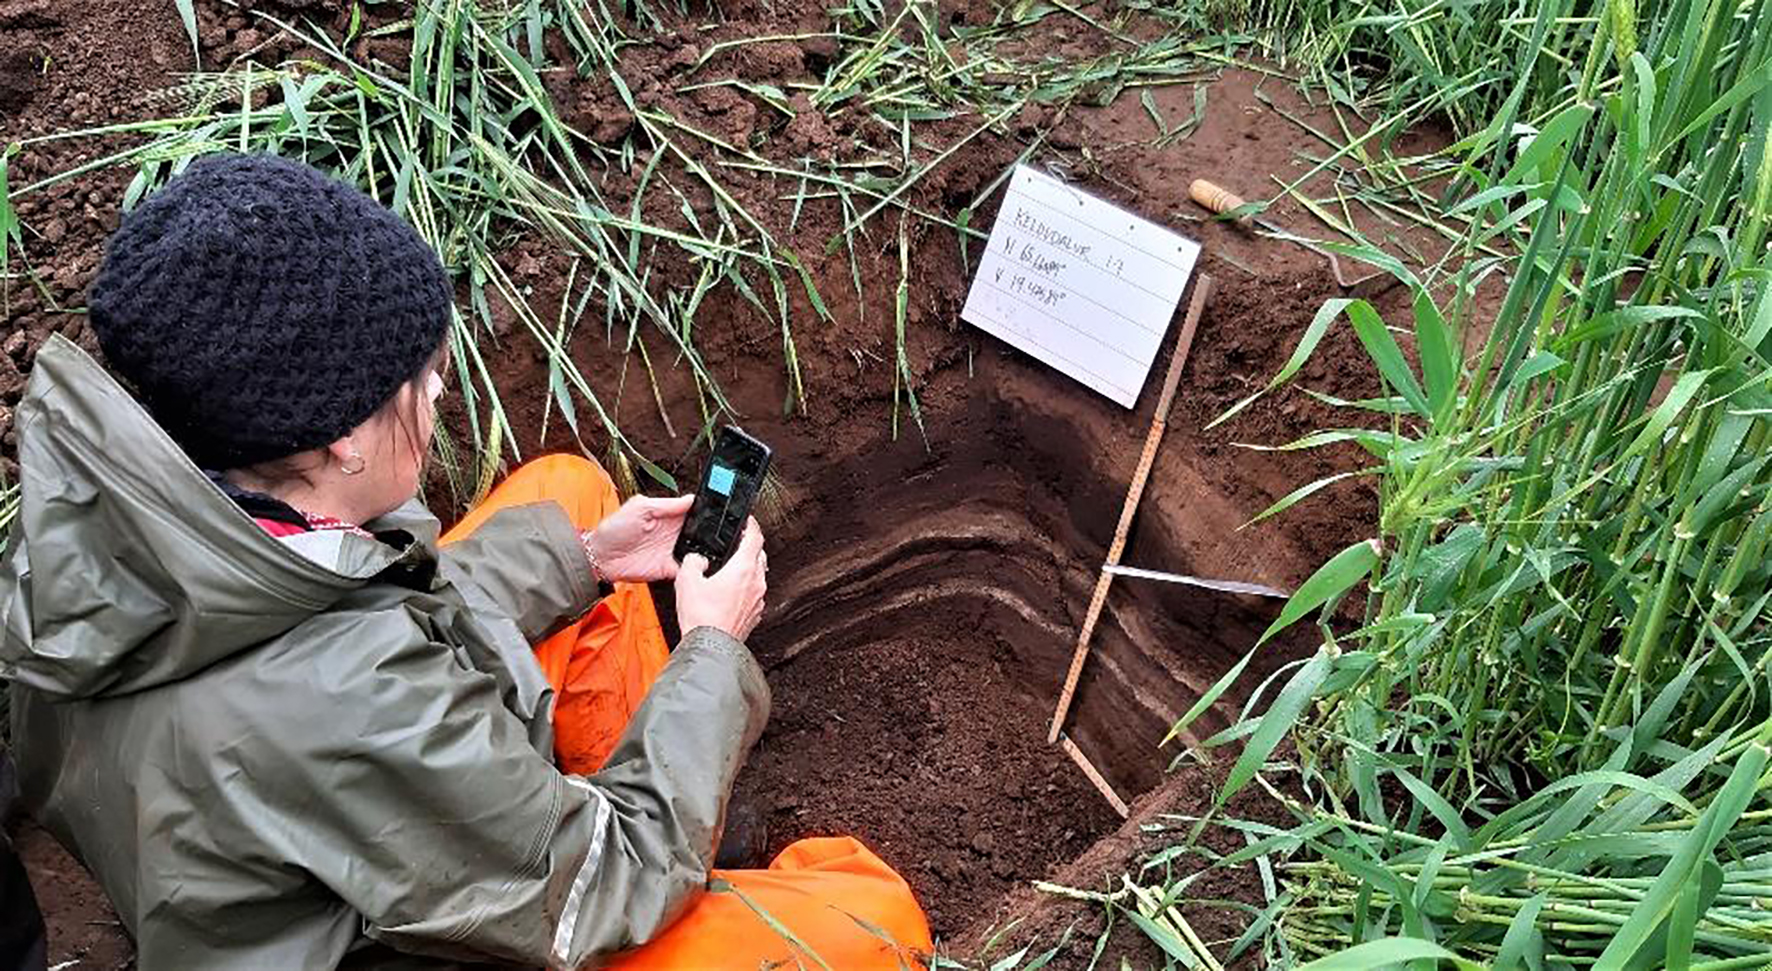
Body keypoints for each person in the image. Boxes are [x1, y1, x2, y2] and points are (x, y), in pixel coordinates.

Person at [0, 154, 930, 968]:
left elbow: (349, 611)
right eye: (420, 375)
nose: (441, 387)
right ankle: (655, 825)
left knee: (567, 496)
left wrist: (587, 558)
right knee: (872, 924)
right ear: (339, 443)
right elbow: (584, 889)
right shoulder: (354, 701)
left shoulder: (113, 514)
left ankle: (652, 808)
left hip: (260, 821)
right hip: (418, 923)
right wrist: (713, 652)